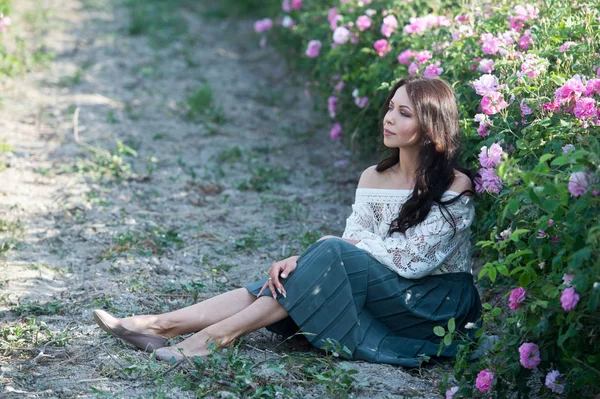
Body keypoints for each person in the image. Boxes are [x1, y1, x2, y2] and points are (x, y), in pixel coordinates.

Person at [93, 76, 481, 366]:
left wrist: (324, 252)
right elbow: (355, 244)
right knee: (298, 270)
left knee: (326, 253)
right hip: (382, 288)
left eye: (403, 112)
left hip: (431, 305)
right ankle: (160, 326)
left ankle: (208, 339)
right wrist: (307, 259)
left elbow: (414, 262)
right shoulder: (373, 177)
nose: (388, 118)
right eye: (390, 107)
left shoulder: (454, 186)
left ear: (431, 128)